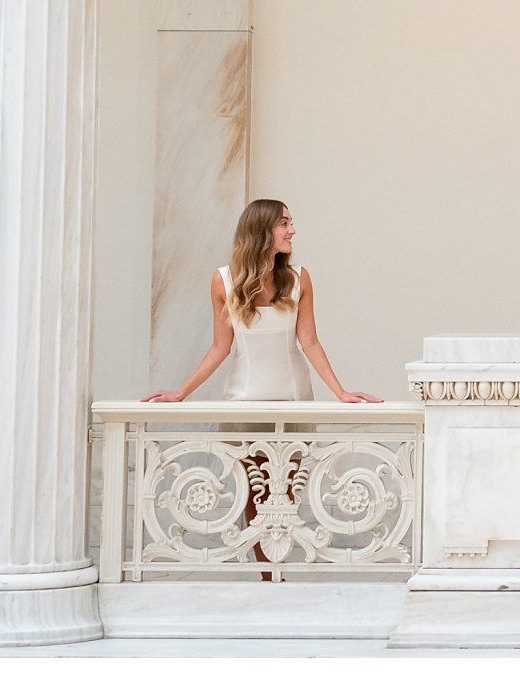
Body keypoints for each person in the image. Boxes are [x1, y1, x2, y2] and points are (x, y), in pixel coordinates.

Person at [142, 199, 381, 578]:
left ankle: (278, 567)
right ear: (262, 229)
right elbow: (220, 347)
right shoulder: (222, 280)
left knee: (288, 491)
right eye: (285, 223)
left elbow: (310, 342)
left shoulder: (300, 278)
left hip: (294, 398)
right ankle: (268, 576)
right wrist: (180, 392)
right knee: (256, 493)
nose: (292, 230)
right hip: (245, 400)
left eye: (290, 222)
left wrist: (341, 392)